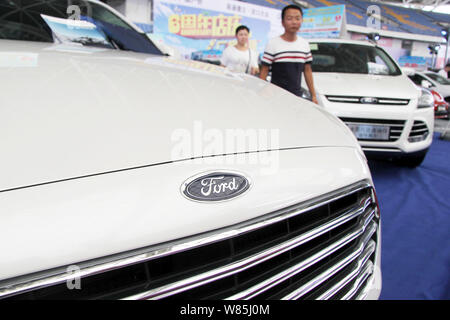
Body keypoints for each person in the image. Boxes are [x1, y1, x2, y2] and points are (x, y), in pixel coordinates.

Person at [259, 5, 318, 104]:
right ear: (283, 22)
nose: (294, 22)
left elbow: (307, 70)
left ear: (302, 21)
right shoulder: (273, 43)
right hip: (275, 96)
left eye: (297, 18)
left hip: (296, 96)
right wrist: (262, 91)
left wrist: (314, 95)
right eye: (289, 18)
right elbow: (264, 70)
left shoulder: (304, 44)